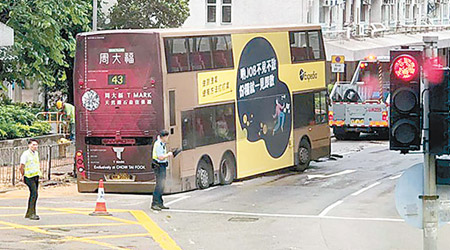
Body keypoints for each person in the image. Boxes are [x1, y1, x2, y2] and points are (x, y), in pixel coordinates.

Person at [20, 139, 42, 220]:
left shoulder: (36, 153)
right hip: (28, 176)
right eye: (33, 145)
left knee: (34, 194)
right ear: (29, 145)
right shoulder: (25, 154)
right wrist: (23, 175)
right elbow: (21, 166)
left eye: (36, 145)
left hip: (35, 175)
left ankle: (29, 213)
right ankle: (32, 213)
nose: (35, 147)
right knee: (34, 194)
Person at [151, 130, 173, 211]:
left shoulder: (162, 144)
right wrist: (168, 155)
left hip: (162, 165)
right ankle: (155, 203)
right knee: (159, 185)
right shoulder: (158, 144)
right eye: (167, 137)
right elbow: (160, 157)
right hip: (158, 166)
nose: (167, 139)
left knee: (162, 185)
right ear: (163, 137)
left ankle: (160, 203)